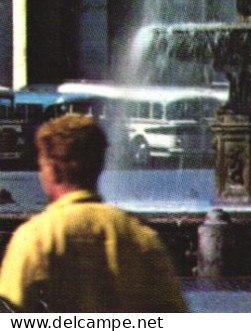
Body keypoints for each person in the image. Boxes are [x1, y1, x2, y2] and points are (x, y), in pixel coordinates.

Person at [0, 114, 185, 312]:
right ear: (99, 165)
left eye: (41, 166)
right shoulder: (140, 236)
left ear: (52, 169)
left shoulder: (34, 238)